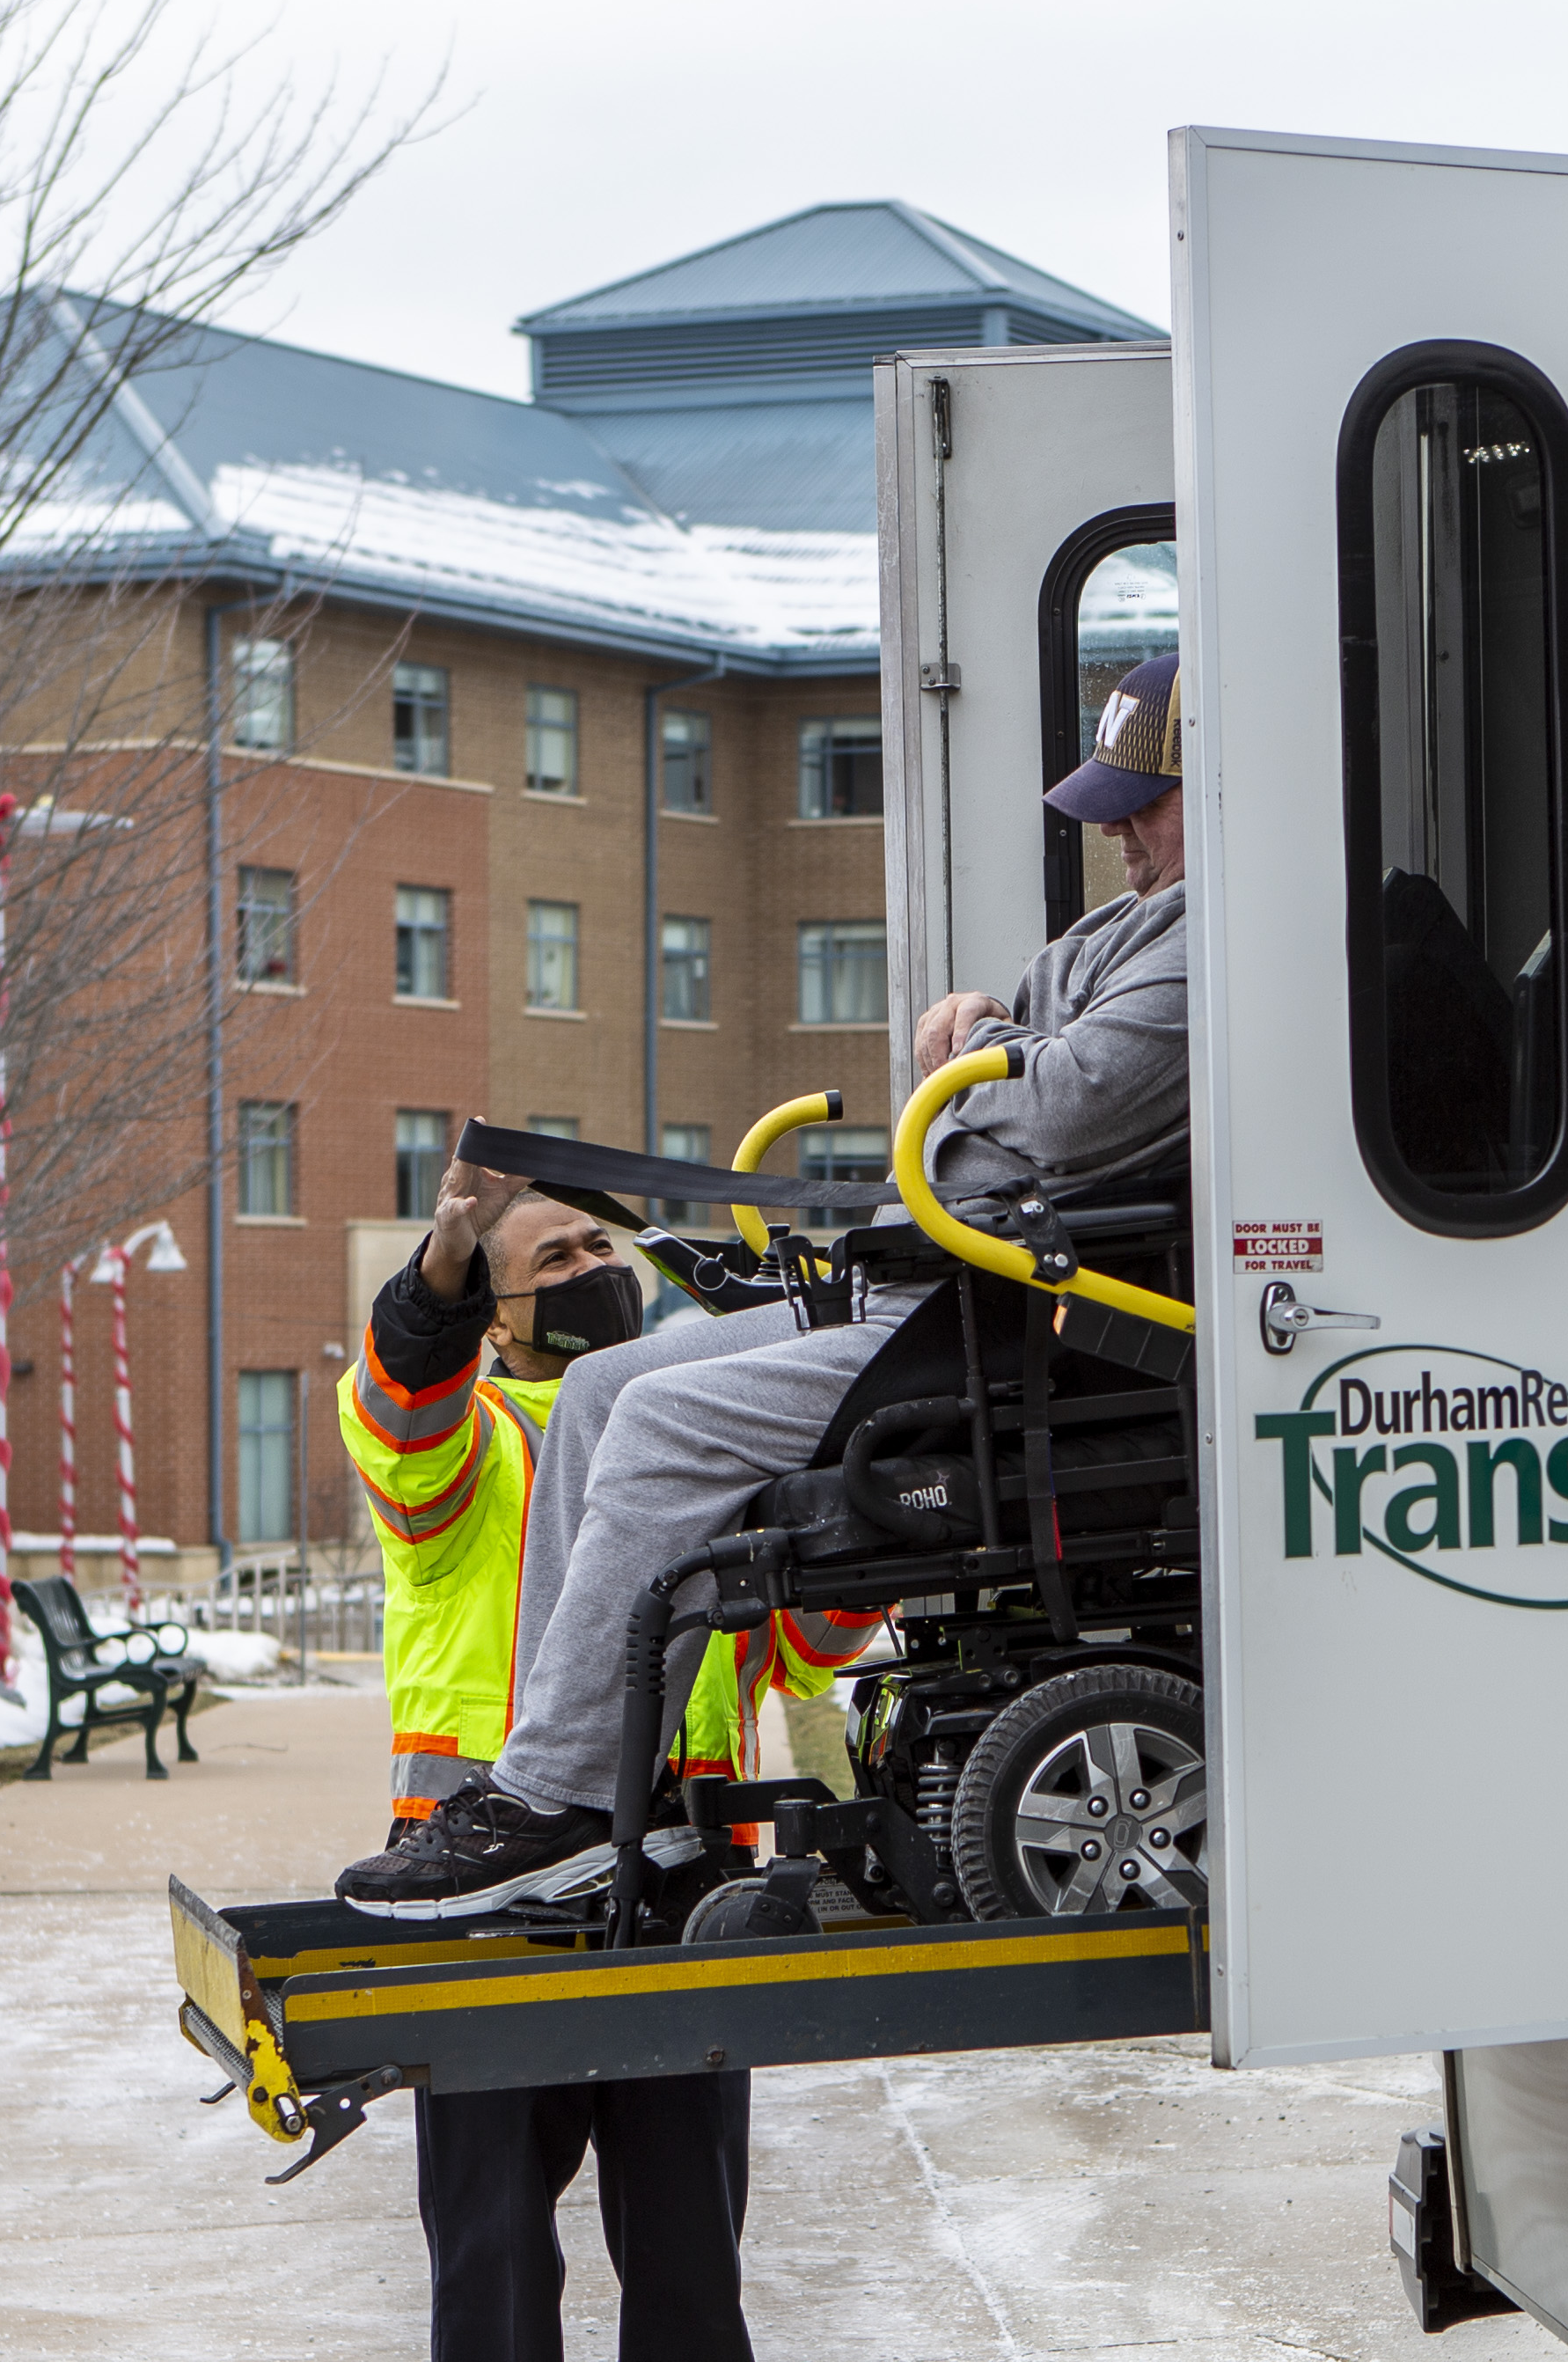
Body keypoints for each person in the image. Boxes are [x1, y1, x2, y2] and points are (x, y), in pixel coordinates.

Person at [337, 649, 1196, 1921]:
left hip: (1033, 1317)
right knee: (601, 1390)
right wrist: (992, 1066)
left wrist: (980, 1056)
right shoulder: (1129, 930)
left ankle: (560, 1795)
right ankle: (571, 1797)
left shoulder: (1216, 939)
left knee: (660, 1419)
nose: (1116, 829)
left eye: (1144, 801)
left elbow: (1052, 1112)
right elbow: (1011, 1085)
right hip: (955, 1278)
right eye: (1111, 802)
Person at [341, 1168, 877, 2362]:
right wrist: (447, 1249)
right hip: (482, 1894)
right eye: (552, 1257)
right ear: (497, 1310)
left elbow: (816, 1636)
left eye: (600, 1245)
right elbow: (401, 1399)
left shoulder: (699, 1442)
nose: (591, 1268)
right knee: (493, 2257)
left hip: (679, 1875)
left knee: (688, 2258)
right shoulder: (465, 1450)